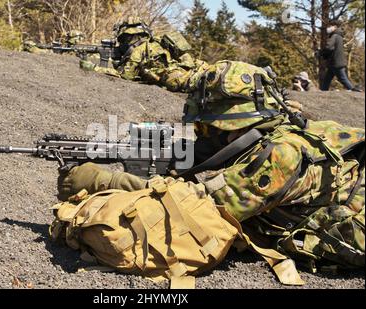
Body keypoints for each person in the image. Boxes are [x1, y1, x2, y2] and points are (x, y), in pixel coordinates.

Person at [55, 61, 365, 271]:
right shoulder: (282, 130)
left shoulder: (278, 156)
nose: (204, 133)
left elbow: (193, 207)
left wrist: (100, 179)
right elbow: (202, 153)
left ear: (237, 120)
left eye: (210, 126)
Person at [79, 17, 209, 93]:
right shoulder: (156, 43)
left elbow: (125, 76)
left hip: (184, 80)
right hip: (197, 70)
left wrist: (94, 68)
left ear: (129, 36)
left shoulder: (138, 51)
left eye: (125, 39)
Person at [320, 20, 361, 92]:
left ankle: (355, 91)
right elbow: (332, 48)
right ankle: (323, 92)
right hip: (335, 62)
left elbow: (328, 47)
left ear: (335, 27)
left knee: (343, 79)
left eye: (330, 26)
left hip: (335, 63)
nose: (328, 28)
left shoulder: (334, 36)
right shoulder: (339, 36)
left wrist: (321, 53)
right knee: (327, 80)